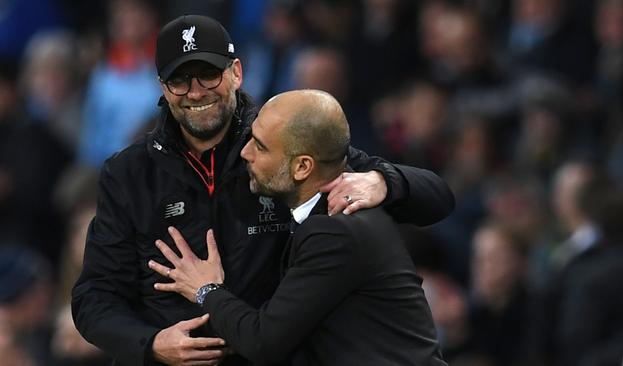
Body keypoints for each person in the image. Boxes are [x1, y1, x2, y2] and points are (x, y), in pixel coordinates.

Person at [72, 15, 454, 366]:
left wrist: (384, 181)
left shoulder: (281, 140)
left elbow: (436, 199)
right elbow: (94, 297)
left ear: (236, 72)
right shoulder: (128, 173)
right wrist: (151, 344)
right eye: (180, 79)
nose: (195, 92)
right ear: (163, 87)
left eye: (208, 74)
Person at [149, 89, 448, 365]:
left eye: (261, 147)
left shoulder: (334, 231)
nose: (245, 153)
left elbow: (263, 342)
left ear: (303, 167)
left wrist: (206, 289)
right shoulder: (331, 188)